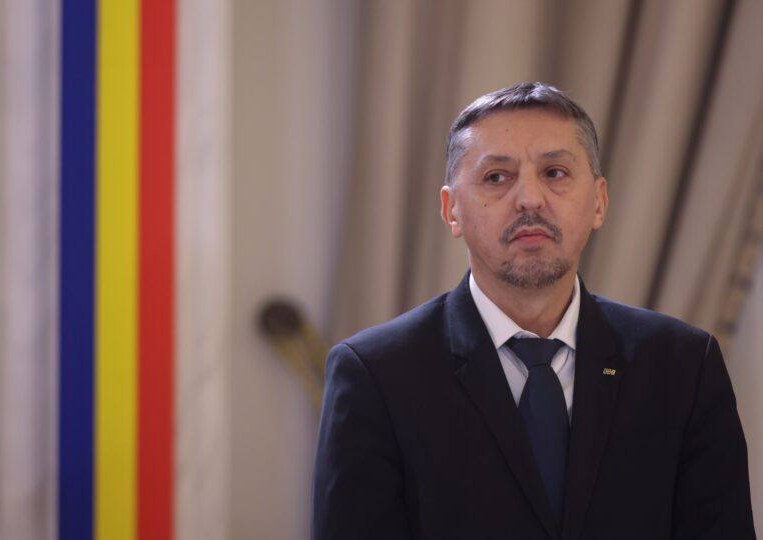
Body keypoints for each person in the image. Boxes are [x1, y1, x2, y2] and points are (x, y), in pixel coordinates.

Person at [311, 82, 755, 540]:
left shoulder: (683, 365)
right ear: (451, 210)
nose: (530, 198)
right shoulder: (376, 374)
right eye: (496, 177)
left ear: (599, 202)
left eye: (555, 172)